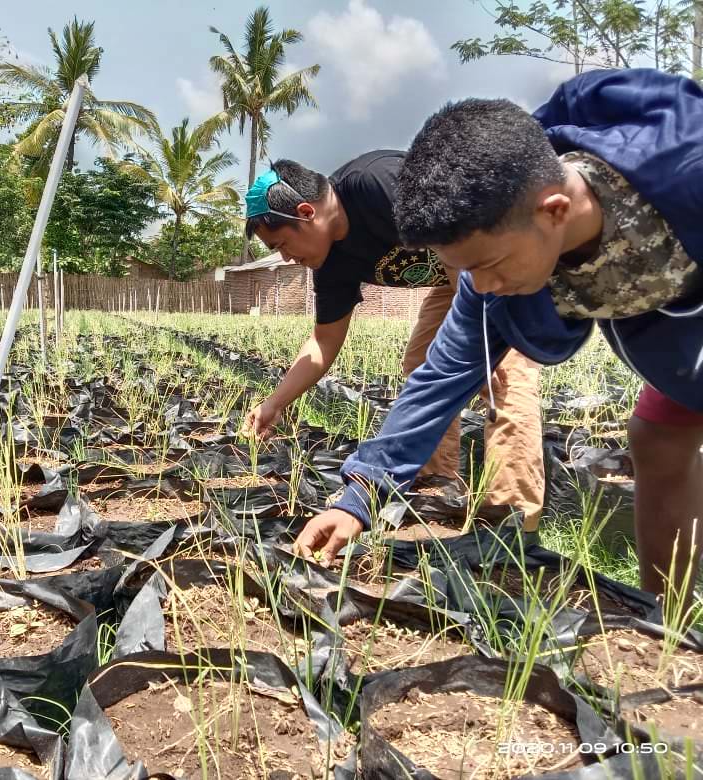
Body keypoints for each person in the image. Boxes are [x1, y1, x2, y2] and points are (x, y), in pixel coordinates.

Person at [294, 68, 703, 604]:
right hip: (671, 344)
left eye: (488, 265)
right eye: (466, 272)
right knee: (659, 439)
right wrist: (359, 497)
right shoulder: (499, 270)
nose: (482, 287)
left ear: (554, 211)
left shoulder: (684, 175)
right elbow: (440, 377)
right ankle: (666, 628)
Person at [242, 154, 545, 530]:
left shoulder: (377, 184)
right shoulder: (330, 261)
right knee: (422, 364)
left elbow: (459, 238)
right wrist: (274, 403)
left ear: (306, 212)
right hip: (455, 279)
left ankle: (512, 525)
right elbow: (323, 343)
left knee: (504, 375)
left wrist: (486, 338)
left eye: (281, 244)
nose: (286, 258)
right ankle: (438, 486)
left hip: (493, 258)